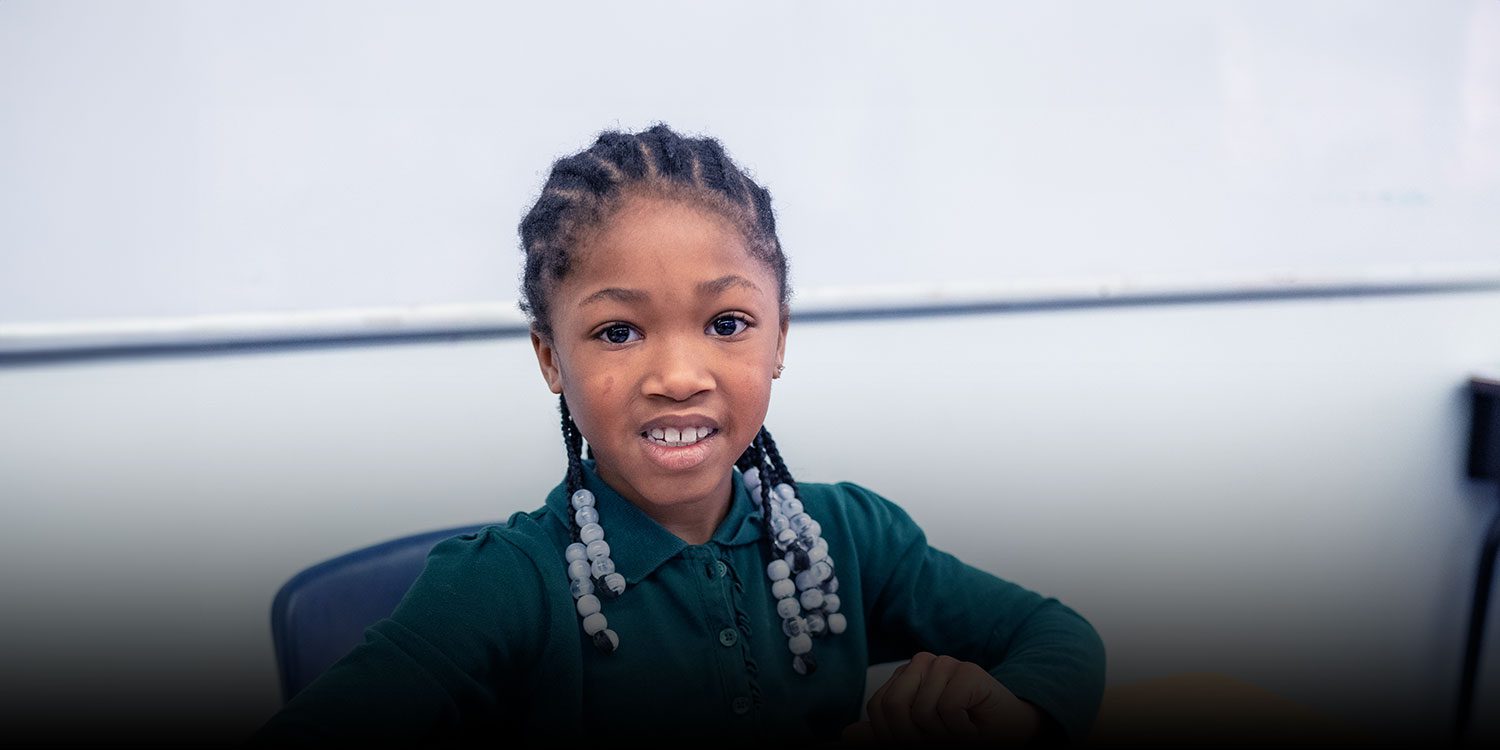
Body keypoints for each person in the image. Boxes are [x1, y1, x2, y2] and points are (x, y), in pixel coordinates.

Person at [250, 123, 1105, 746]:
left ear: (780, 340)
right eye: (619, 332)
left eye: (727, 322)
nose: (679, 374)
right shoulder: (505, 585)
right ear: (552, 359)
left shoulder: (845, 537)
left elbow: (1060, 639)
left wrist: (1009, 711)